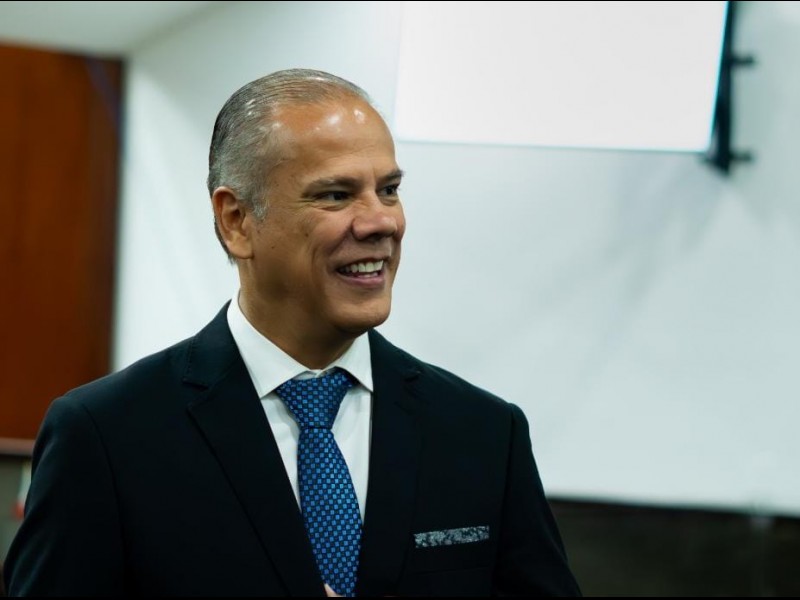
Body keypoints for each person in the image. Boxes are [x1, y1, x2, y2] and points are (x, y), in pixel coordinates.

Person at [4, 68, 580, 597]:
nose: (381, 221)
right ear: (236, 221)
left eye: (389, 189)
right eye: (335, 195)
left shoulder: (483, 433)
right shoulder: (106, 435)